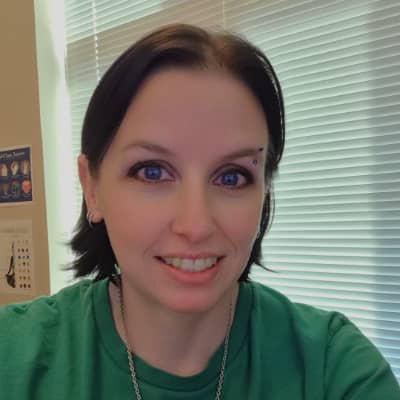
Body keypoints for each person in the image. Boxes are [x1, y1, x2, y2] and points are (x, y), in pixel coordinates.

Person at [0, 24, 399, 399]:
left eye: (232, 177)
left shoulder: (332, 366)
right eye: (152, 172)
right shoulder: (14, 357)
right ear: (92, 187)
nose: (196, 226)